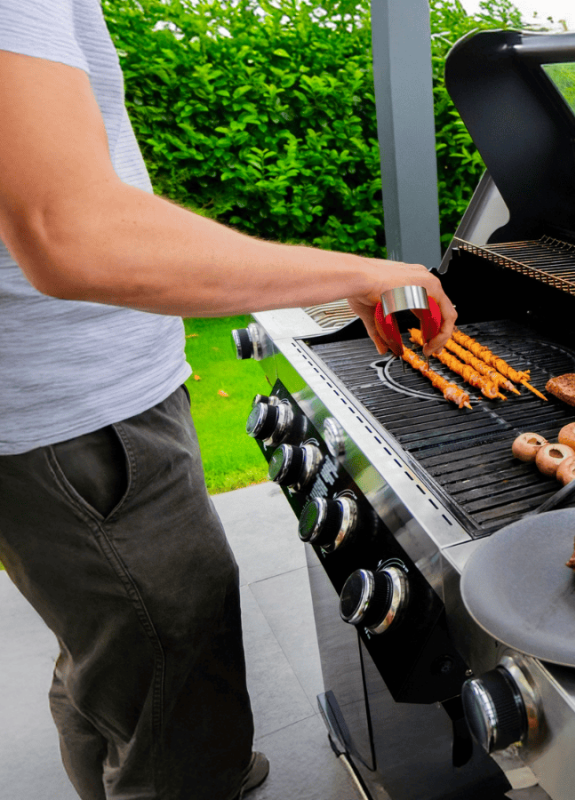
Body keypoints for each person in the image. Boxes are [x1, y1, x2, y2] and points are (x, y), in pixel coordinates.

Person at [0, 1, 456, 798]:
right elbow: (70, 230)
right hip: (79, 425)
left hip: (73, 415)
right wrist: (362, 272)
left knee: (107, 651)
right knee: (173, 677)